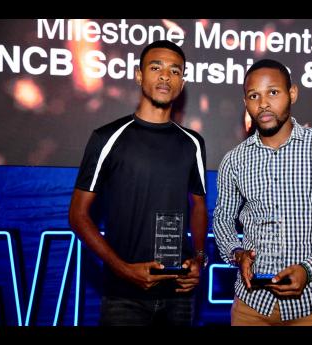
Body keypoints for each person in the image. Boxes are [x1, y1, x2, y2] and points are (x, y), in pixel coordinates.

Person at [213, 59, 312, 326]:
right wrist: (236, 253)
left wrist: (309, 269)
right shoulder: (234, 161)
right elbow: (222, 219)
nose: (263, 103)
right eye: (254, 96)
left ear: (292, 93)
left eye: (273, 92)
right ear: (245, 102)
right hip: (252, 308)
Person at [69, 40, 208, 326]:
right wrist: (124, 270)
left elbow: (198, 205)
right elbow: (78, 215)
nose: (165, 76)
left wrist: (198, 259)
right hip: (124, 296)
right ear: (139, 74)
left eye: (174, 70)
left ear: (182, 81)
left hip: (178, 295)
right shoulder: (106, 138)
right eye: (156, 67)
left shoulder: (192, 143)